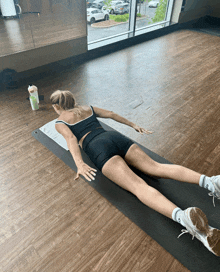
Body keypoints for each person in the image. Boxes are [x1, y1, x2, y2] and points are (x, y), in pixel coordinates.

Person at [50, 90, 220, 256]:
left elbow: (71, 139)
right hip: (114, 137)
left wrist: (79, 164)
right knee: (157, 167)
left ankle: (183, 218)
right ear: (72, 100)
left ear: (57, 106)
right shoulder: (88, 108)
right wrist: (133, 125)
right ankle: (211, 182)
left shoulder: (60, 122)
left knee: (138, 186)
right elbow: (110, 114)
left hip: (97, 147)